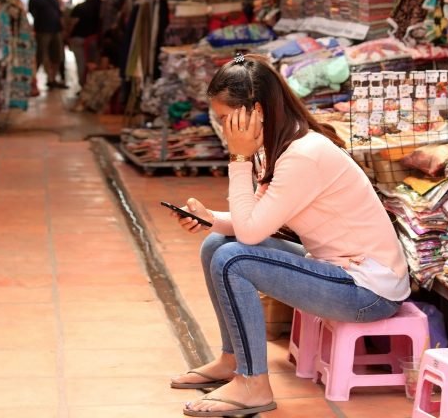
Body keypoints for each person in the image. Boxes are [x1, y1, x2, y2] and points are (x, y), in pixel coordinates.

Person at [168, 54, 410, 417]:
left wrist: (239, 160)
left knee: (233, 258)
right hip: (334, 271)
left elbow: (250, 233)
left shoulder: (303, 156)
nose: (223, 129)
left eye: (224, 119)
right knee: (215, 243)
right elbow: (256, 220)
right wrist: (209, 219)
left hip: (367, 291)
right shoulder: (282, 147)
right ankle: (232, 359)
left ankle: (254, 383)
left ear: (256, 112)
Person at [28, 0, 64, 94]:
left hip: (55, 29)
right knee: (40, 55)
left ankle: (52, 78)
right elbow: (33, 12)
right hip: (43, 30)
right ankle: (33, 81)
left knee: (56, 55)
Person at [67, 0, 102, 90]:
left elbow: (72, 23)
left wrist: (67, 36)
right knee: (95, 64)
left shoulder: (80, 7)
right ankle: (92, 87)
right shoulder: (103, 7)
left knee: (81, 64)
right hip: (96, 40)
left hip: (79, 39)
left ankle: (84, 87)